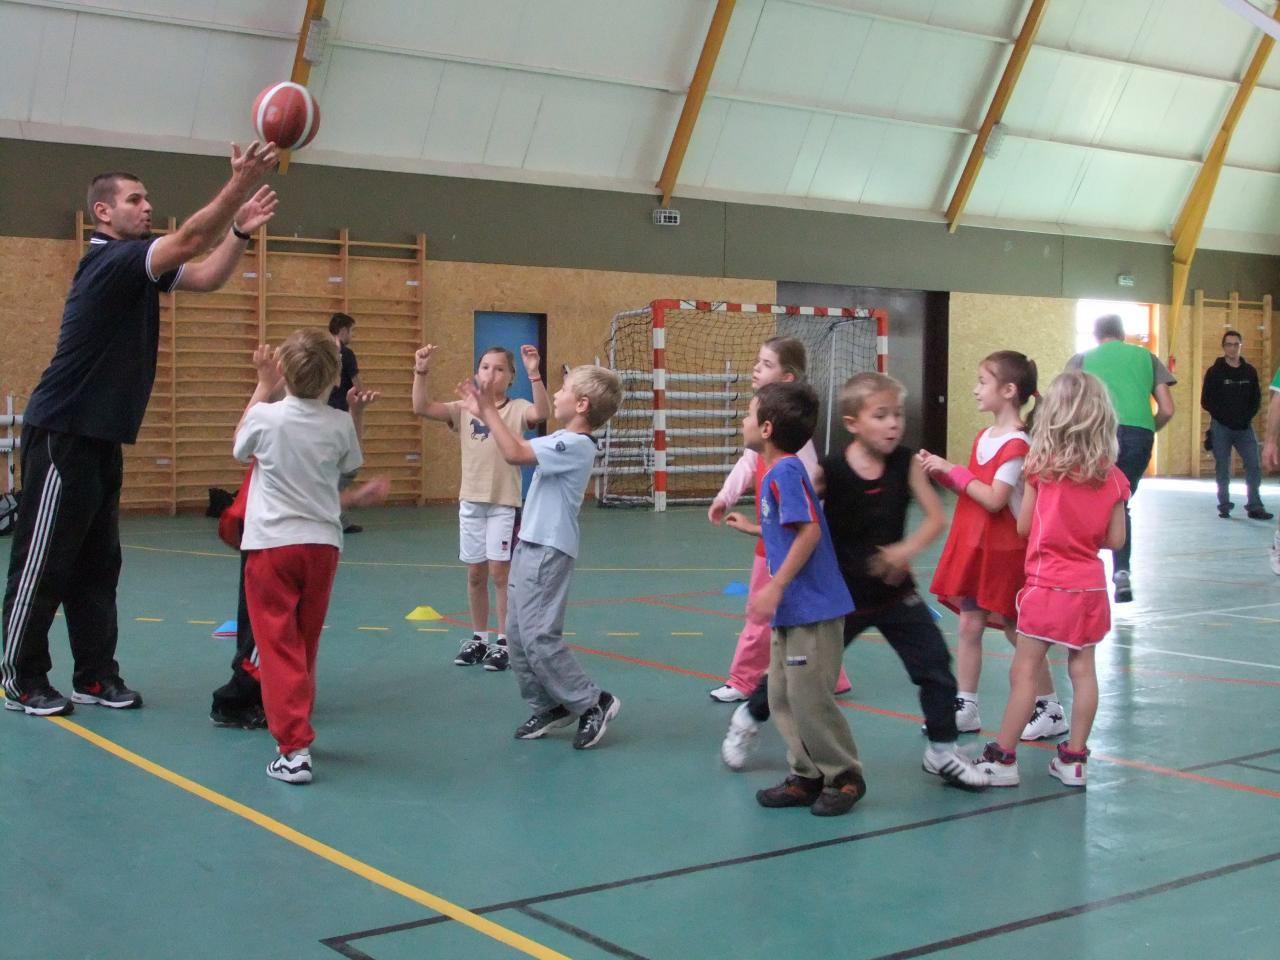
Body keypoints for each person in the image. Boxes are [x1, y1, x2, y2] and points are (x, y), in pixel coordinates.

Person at [2, 142, 279, 717]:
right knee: (44, 561)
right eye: (134, 199)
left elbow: (203, 276)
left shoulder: (139, 269)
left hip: (102, 437)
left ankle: (95, 676)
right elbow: (190, 240)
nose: (146, 206)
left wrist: (242, 235)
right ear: (104, 212)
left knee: (98, 566)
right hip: (64, 432)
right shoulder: (111, 259)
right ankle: (19, 675)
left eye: (147, 197)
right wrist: (238, 185)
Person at [722, 373, 989, 790]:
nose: (892, 424)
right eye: (880, 415)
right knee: (796, 678)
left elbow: (936, 518)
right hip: (840, 600)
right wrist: (758, 529)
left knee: (935, 667)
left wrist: (904, 550)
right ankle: (748, 717)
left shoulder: (906, 463)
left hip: (894, 592)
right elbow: (798, 516)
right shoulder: (831, 469)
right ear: (853, 423)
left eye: (897, 415)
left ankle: (941, 751)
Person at [210, 360, 387, 730]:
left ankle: (279, 710)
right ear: (333, 380)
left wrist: (262, 385)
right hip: (294, 541)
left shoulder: (274, 420)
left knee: (273, 635)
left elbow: (245, 441)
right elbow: (340, 470)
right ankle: (251, 701)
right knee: (278, 638)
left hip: (279, 539)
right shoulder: (306, 422)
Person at [974, 371, 1130, 788]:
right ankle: (1075, 759)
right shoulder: (1114, 478)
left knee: (1025, 670)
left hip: (1047, 583)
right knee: (1084, 670)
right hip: (1090, 587)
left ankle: (1003, 758)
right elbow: (1115, 539)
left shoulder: (1042, 469)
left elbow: (1026, 528)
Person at [456, 365, 623, 749]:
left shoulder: (574, 444)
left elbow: (514, 451)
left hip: (550, 549)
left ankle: (593, 701)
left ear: (582, 404)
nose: (557, 395)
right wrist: (485, 413)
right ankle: (549, 704)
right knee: (515, 635)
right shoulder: (562, 438)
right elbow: (515, 445)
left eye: (563, 389)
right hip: (531, 544)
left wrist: (490, 413)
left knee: (539, 636)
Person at [233, 332, 366, 784]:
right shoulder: (339, 423)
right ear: (333, 376)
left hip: (272, 546)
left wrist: (261, 385)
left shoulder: (266, 418)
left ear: (284, 372)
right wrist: (356, 414)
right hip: (322, 547)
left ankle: (293, 750)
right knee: (303, 643)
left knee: (276, 647)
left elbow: (238, 447)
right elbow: (351, 464)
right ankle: (297, 725)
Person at [729, 382, 865, 816]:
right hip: (791, 610)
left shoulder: (785, 471)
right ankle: (806, 774)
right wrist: (754, 528)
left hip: (813, 608)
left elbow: (808, 530)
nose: (743, 421)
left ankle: (844, 776)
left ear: (766, 429)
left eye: (749, 415)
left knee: (810, 697)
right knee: (783, 695)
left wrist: (775, 586)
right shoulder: (775, 472)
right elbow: (790, 526)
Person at [920, 352, 1060, 741]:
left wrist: (954, 472)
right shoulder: (985, 436)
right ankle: (965, 705)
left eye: (983, 381)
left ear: (1009, 390)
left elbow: (996, 498)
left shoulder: (1018, 443)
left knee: (1019, 631)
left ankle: (1049, 706)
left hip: (1005, 552)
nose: (975, 389)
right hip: (975, 547)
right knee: (969, 624)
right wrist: (941, 470)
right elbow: (973, 489)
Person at [706, 337, 850, 703]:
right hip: (773, 535)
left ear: (786, 378)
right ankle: (834, 677)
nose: (756, 368)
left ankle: (742, 679)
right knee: (798, 612)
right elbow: (746, 464)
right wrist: (726, 497)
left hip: (784, 540)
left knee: (762, 608)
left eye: (766, 364)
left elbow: (812, 487)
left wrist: (784, 524)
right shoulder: (766, 432)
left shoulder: (790, 447)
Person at [413, 343, 550, 671]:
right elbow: (420, 407)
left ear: (511, 376)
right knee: (475, 574)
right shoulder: (464, 408)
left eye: (500, 368)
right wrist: (421, 369)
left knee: (499, 573)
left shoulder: (517, 408)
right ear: (477, 373)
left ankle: (504, 641)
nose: (492, 373)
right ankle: (479, 637)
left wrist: (535, 374)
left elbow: (542, 413)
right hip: (471, 503)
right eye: (486, 367)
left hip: (503, 503)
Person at [1067, 314, 1175, 603]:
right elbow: (1166, 409)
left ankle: (1081, 571)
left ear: (1095, 334)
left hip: (1099, 433)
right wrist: (1148, 429)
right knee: (1119, 501)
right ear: (1123, 333)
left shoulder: (1082, 360)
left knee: (1087, 501)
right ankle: (1122, 571)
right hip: (1140, 435)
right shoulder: (1147, 358)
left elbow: (1068, 404)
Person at [1201, 330, 1270, 521]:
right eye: (1229, 344)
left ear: (1241, 346)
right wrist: (1224, 417)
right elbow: (1206, 400)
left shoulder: (1250, 372)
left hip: (1244, 427)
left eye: (1236, 344)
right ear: (1224, 347)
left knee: (1254, 465)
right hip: (1221, 427)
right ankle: (1224, 505)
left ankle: (1255, 506)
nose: (1232, 348)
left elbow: (1256, 400)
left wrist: (1244, 418)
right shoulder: (1214, 372)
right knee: (1222, 467)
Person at [326, 313, 365, 533]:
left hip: (320, 413)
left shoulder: (320, 350)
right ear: (342, 330)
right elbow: (358, 385)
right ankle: (335, 511)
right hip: (341, 414)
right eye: (351, 330)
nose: (351, 335)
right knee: (350, 466)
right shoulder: (346, 354)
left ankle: (334, 512)